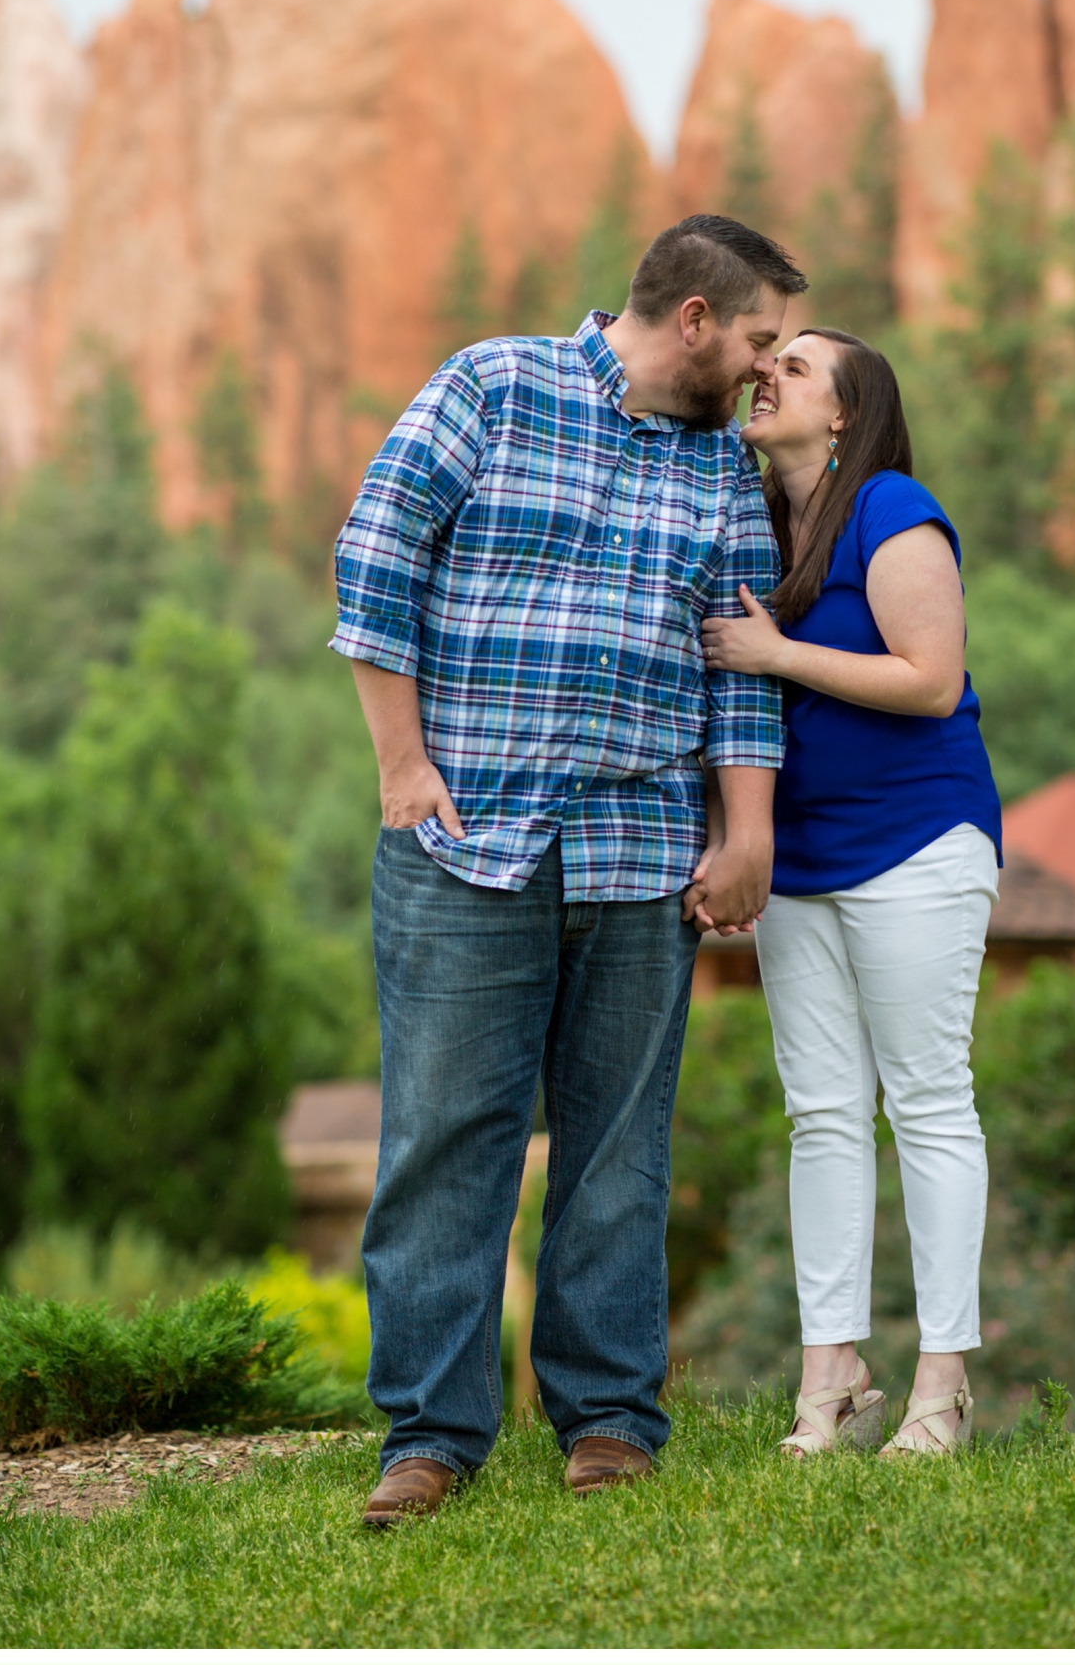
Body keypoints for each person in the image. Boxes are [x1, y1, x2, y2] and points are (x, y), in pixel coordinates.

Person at [332, 215, 805, 1524]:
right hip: (462, 838)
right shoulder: (493, 385)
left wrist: (744, 832)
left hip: (642, 849)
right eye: (762, 340)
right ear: (698, 320)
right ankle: (428, 1436)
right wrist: (401, 766)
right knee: (446, 1141)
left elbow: (737, 658)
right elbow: (374, 560)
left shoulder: (718, 466)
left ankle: (606, 1419)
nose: (771, 373)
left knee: (618, 1150)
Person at [698, 326, 1003, 1458]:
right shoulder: (752, 518)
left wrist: (777, 656)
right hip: (797, 857)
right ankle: (831, 1372)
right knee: (821, 1113)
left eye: (797, 367)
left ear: (844, 412)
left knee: (926, 1099)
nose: (765, 374)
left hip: (916, 841)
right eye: (764, 360)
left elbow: (931, 682)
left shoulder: (891, 506)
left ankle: (943, 1381)